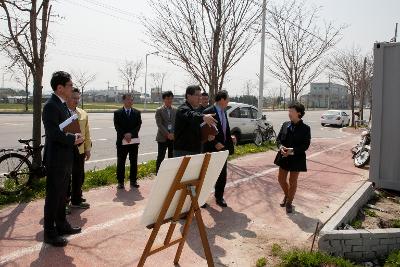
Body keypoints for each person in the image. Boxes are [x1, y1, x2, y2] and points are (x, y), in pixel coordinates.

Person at [42, 71, 84, 247]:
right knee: (53, 196)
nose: (72, 88)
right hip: (56, 159)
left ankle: (62, 225)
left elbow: (66, 128)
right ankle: (50, 233)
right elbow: (53, 134)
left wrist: (75, 136)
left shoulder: (63, 105)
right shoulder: (51, 106)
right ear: (60, 88)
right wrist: (73, 139)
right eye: (69, 85)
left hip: (65, 157)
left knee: (61, 196)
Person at [274, 102, 311, 213]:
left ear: (299, 113)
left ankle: (289, 202)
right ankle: (287, 195)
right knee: (281, 179)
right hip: (284, 156)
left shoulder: (306, 128)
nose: (289, 113)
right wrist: (280, 147)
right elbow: (278, 140)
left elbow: (305, 145)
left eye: (291, 111)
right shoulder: (285, 124)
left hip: (297, 158)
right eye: (288, 111)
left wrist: (293, 150)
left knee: (292, 181)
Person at [203, 90, 234, 208]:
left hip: (223, 148)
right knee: (208, 174)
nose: (228, 101)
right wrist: (215, 142)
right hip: (211, 148)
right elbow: (205, 132)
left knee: (222, 174)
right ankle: (201, 198)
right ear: (221, 99)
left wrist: (229, 138)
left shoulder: (223, 111)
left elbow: (224, 129)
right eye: (227, 99)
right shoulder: (208, 112)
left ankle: (219, 197)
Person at [66, 88, 92, 210]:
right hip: (65, 149)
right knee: (65, 178)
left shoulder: (83, 113)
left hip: (79, 150)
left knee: (79, 175)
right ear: (67, 97)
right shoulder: (62, 112)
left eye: (78, 98)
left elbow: (86, 132)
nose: (76, 100)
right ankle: (64, 203)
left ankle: (76, 199)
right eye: (73, 98)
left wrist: (87, 149)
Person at [174, 85, 217, 157]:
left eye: (200, 96)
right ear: (188, 96)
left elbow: (194, 133)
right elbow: (191, 115)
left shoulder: (195, 111)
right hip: (183, 152)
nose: (200, 98)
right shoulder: (183, 109)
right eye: (197, 95)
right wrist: (204, 117)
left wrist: (206, 137)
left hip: (195, 151)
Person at [113, 93, 142, 189]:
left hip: (133, 141)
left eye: (131, 100)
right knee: (121, 162)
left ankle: (133, 180)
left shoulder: (137, 113)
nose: (130, 101)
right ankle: (120, 182)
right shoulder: (117, 113)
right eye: (128, 99)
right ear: (124, 101)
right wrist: (125, 134)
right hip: (122, 141)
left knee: (134, 161)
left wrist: (131, 134)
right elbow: (117, 126)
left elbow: (138, 125)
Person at [155, 91, 177, 173]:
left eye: (171, 98)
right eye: (167, 98)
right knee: (161, 157)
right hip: (162, 137)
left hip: (173, 137)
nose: (169, 100)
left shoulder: (175, 110)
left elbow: (177, 123)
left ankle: (170, 173)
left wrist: (173, 134)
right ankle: (158, 173)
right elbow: (159, 124)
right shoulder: (159, 110)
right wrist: (168, 134)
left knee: (172, 157)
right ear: (164, 99)